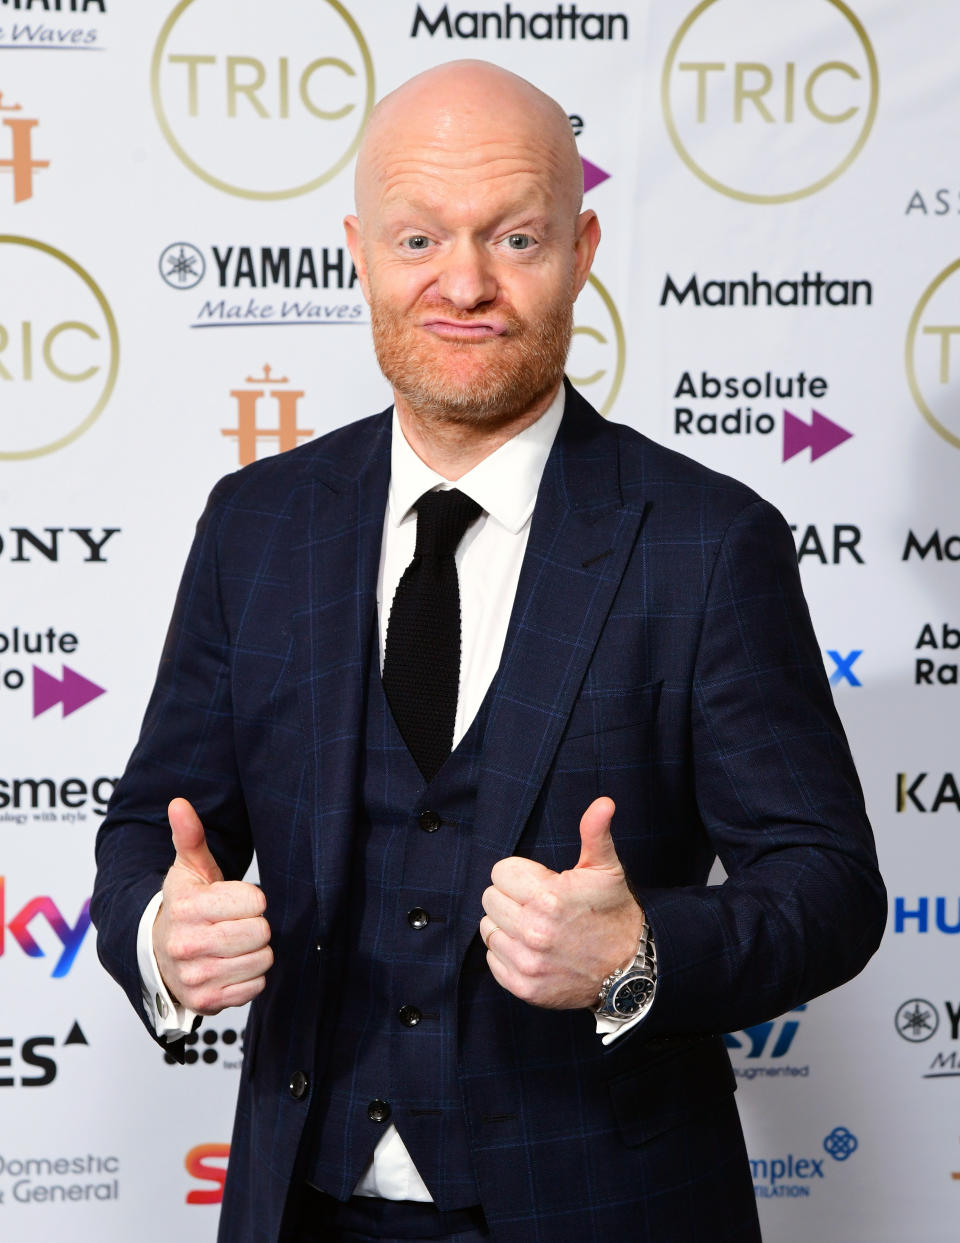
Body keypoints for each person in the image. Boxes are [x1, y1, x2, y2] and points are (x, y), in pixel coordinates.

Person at [92, 60, 886, 1243]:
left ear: (583, 248)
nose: (464, 283)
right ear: (359, 250)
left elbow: (829, 887)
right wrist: (163, 931)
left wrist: (640, 950)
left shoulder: (711, 543)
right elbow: (146, 834)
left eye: (515, 237)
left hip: (609, 1209)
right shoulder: (257, 523)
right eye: (420, 238)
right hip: (299, 1204)